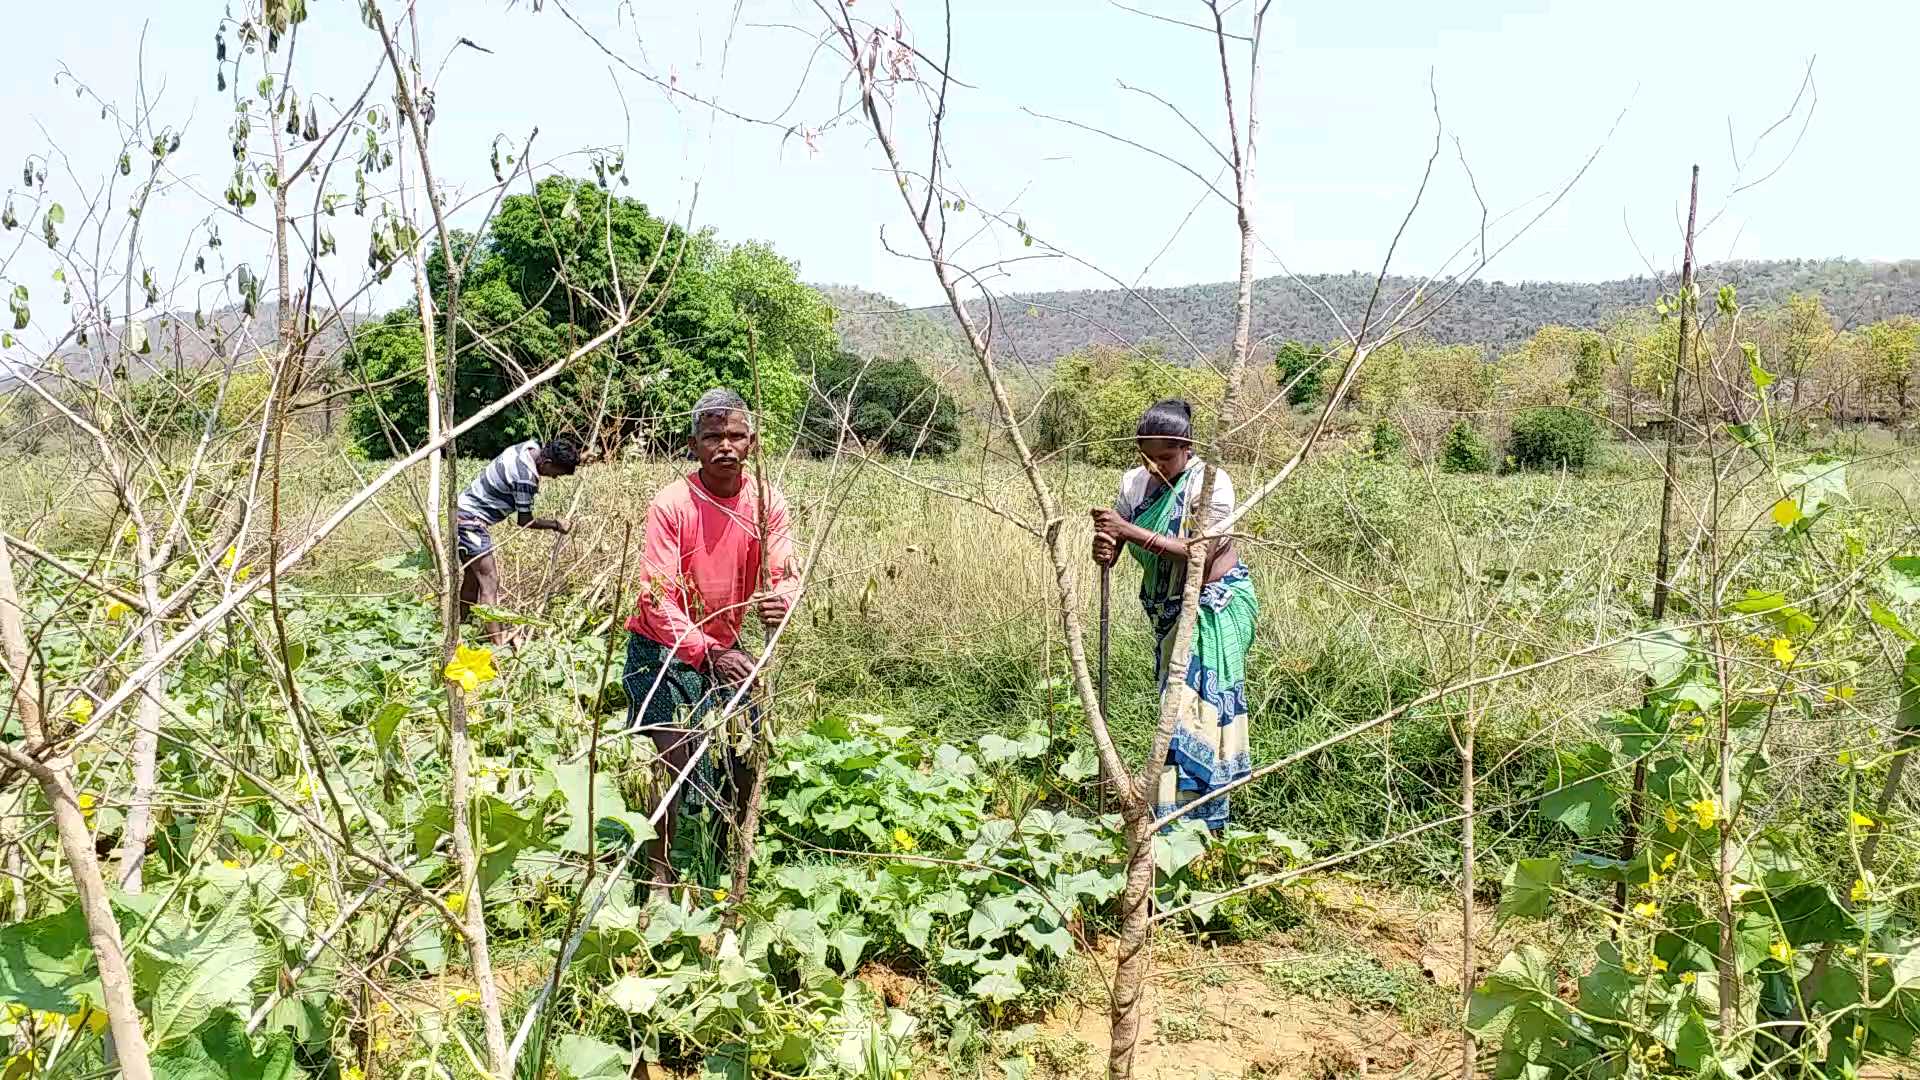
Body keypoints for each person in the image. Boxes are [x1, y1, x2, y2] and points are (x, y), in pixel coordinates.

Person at [625, 387, 798, 890]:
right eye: (712, 437)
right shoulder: (672, 504)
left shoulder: (767, 504)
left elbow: (784, 572)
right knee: (669, 759)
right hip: (661, 647)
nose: (725, 446)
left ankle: (732, 857)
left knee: (747, 746)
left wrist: (780, 598)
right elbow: (654, 598)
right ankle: (657, 875)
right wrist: (708, 650)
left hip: (725, 647)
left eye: (736, 436)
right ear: (694, 444)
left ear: (753, 442)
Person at [1089, 399, 1257, 831]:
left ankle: (1201, 822)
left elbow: (1198, 551)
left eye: (1165, 457)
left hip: (1214, 606)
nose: (1156, 466)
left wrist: (1126, 530)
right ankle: (1171, 820)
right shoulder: (1134, 484)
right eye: (1147, 456)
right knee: (1173, 710)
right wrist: (1107, 544)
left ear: (1187, 447)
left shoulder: (1211, 485)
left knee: (1195, 713)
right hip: (1166, 612)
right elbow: (1117, 543)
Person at [455, 434, 582, 645]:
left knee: (472, 576)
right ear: (547, 462)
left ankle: (461, 629)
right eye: (555, 473)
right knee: (490, 582)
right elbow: (525, 521)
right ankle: (497, 643)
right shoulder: (525, 478)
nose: (553, 478)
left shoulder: (529, 447)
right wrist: (556, 525)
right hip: (470, 521)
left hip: (460, 511)